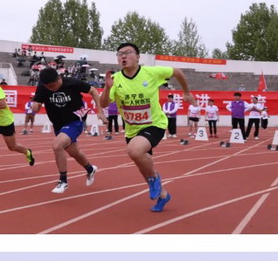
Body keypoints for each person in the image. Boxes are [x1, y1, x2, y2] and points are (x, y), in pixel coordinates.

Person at [101, 42, 196, 212]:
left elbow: (177, 72)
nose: (123, 56)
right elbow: (103, 103)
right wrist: (107, 89)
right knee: (143, 166)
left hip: (154, 124)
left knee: (134, 151)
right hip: (132, 129)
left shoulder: (151, 72)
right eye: (120, 54)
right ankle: (163, 196)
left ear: (138, 57)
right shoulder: (115, 79)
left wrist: (186, 92)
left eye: (128, 52)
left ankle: (154, 179)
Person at [31, 66, 106, 193]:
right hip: (58, 124)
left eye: (52, 86)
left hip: (75, 121)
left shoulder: (72, 83)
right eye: (48, 87)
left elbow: (93, 91)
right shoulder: (43, 87)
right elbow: (36, 106)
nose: (50, 89)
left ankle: (63, 181)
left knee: (57, 145)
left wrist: (100, 111)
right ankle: (90, 169)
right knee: (74, 152)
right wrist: (35, 106)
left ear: (58, 79)